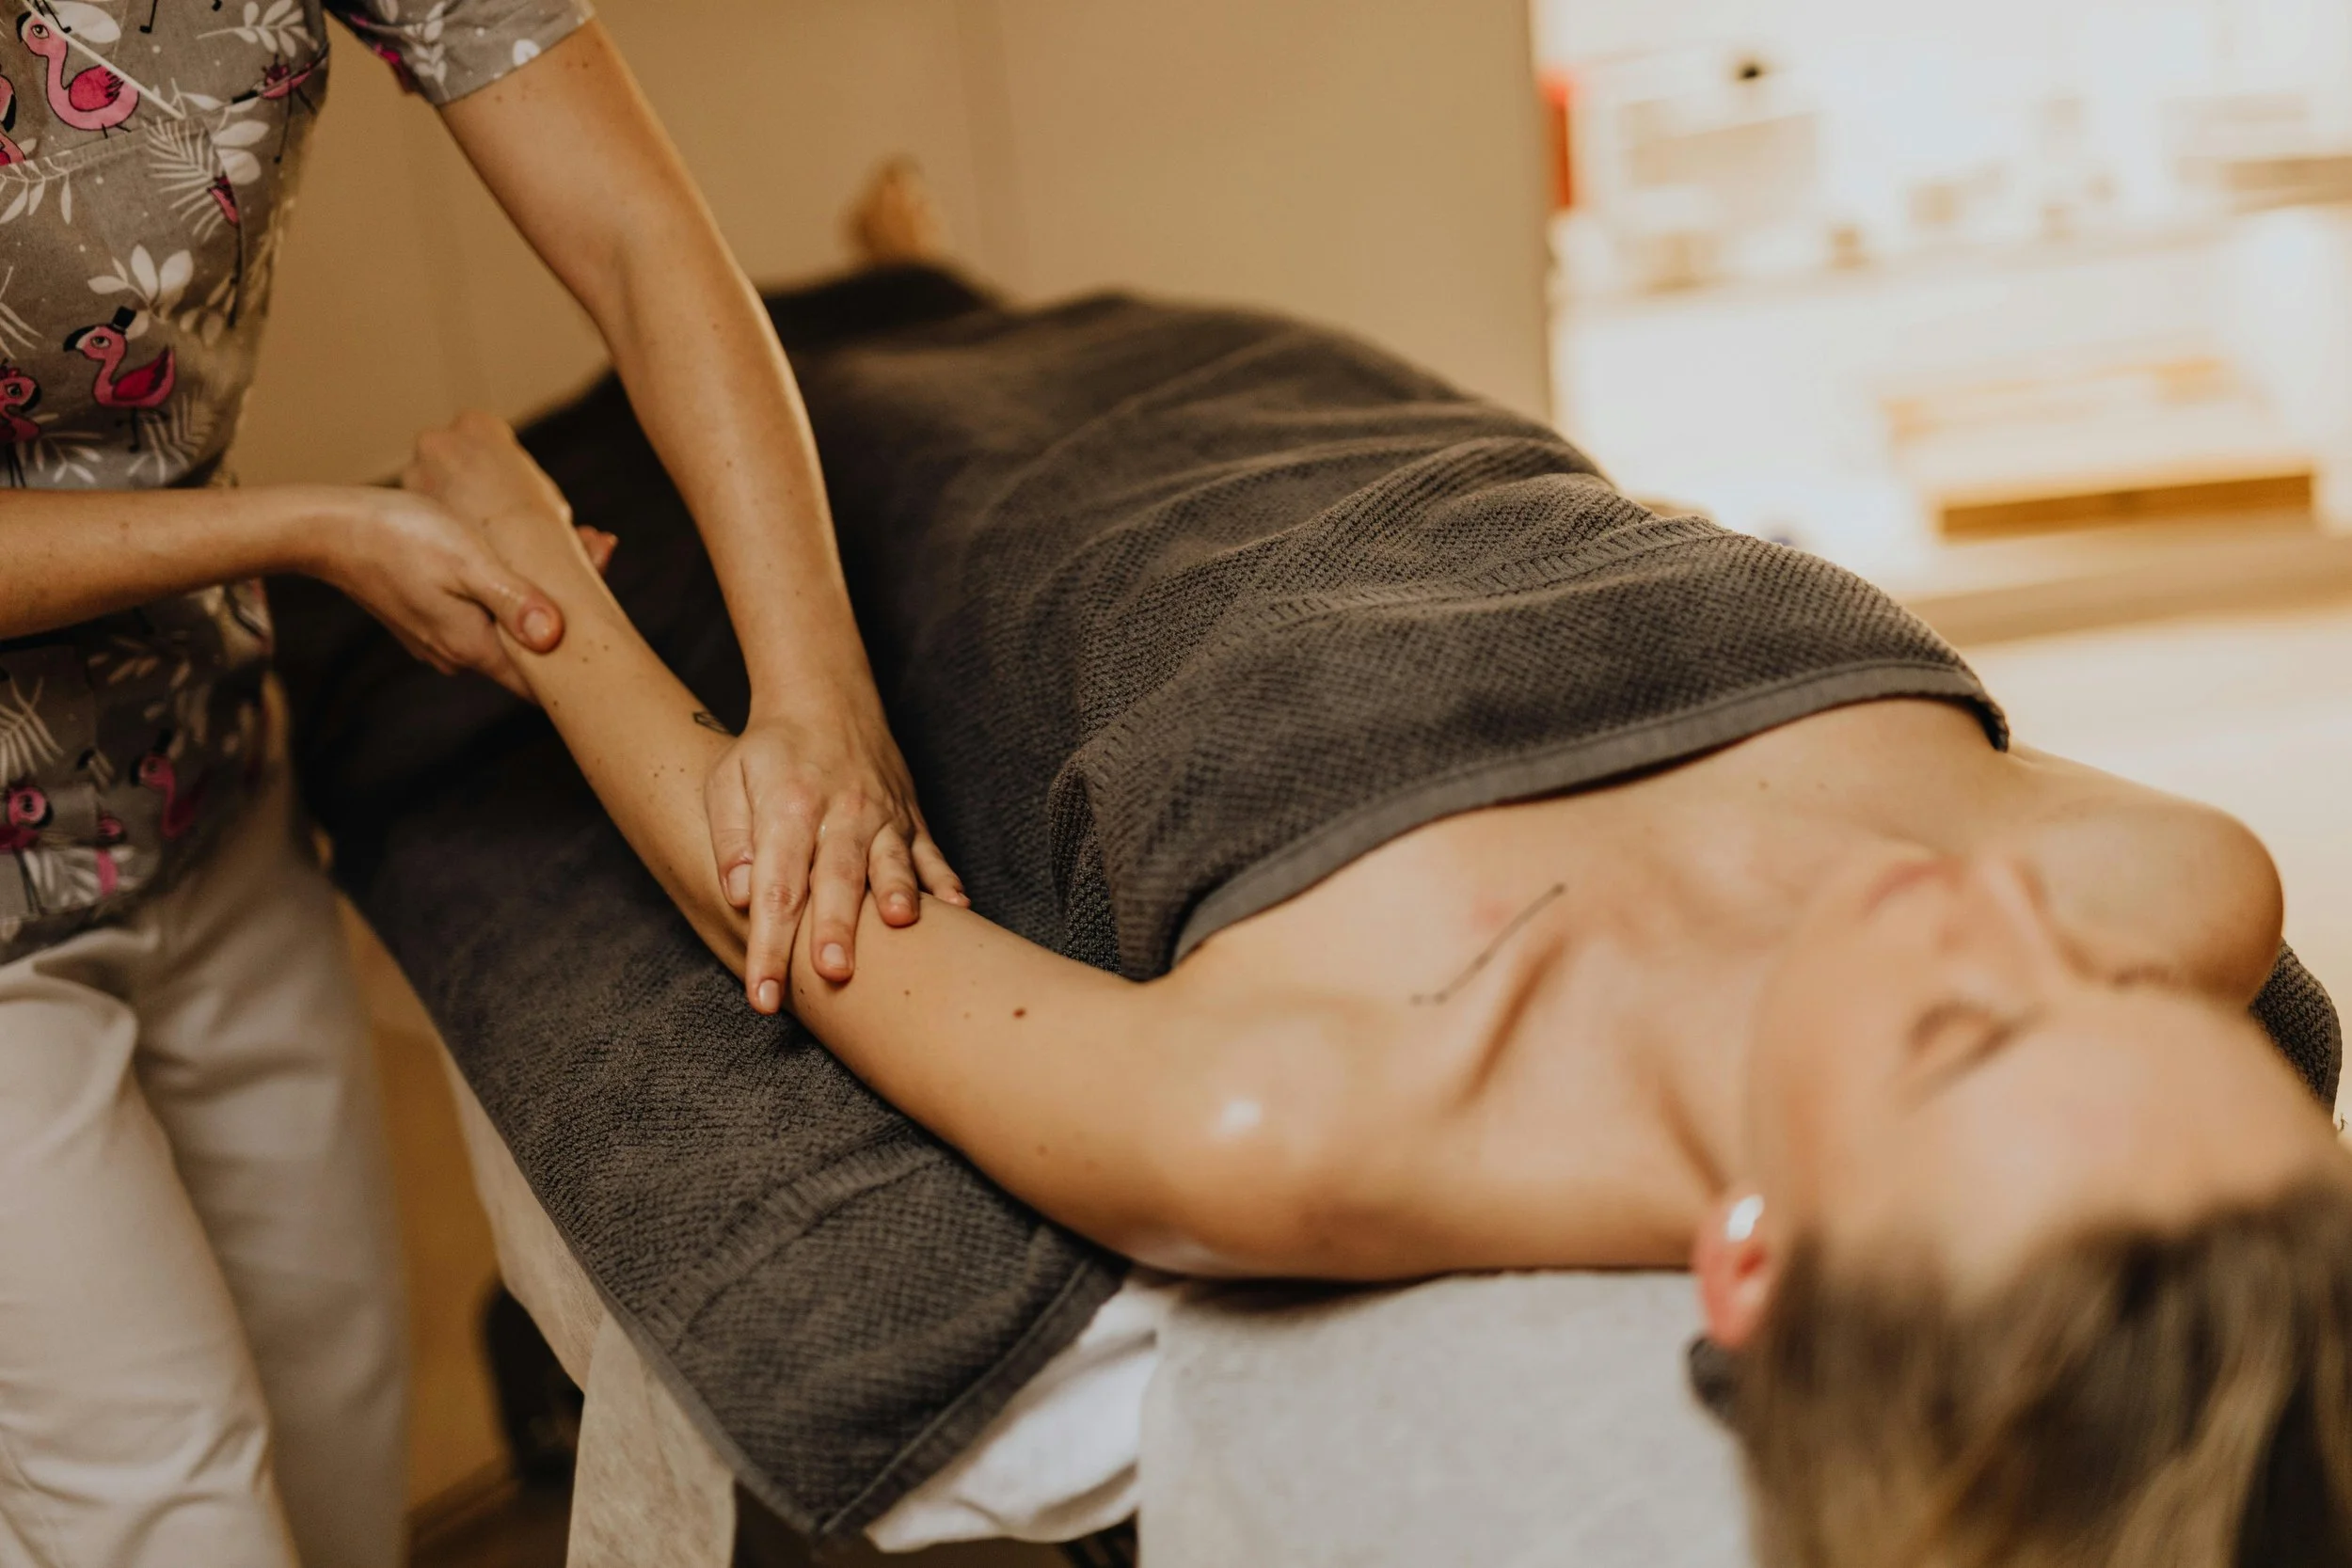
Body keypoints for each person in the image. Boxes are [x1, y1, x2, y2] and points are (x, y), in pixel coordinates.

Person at [395, 184, 2352, 1564]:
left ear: (1745, 1261)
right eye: (2118, 995)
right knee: (1036, 323)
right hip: (1352, 428)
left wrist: (539, 592)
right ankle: (927, 272)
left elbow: (816, 906)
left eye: (1957, 1036)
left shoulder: (1306, 1110)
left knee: (881, 407)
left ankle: (904, 289)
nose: (2006, 914)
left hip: (1057, 554)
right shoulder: (2179, 880)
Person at [0, 9, 955, 1566]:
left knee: (333, 1447)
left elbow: (642, 239)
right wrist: (312, 533)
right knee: (173, 1516)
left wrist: (820, 700)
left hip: (199, 778)